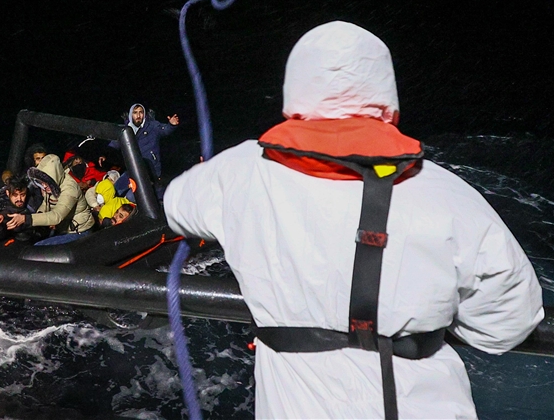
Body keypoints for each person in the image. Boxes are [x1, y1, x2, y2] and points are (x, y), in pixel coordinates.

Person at [163, 21, 543, 419]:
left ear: (296, 93)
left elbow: (177, 206)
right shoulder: (448, 192)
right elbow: (509, 322)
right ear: (387, 97)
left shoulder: (240, 171)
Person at [9, 153, 94, 246]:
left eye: (46, 182)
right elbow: (46, 203)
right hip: (63, 228)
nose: (44, 186)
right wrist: (38, 215)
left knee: (39, 248)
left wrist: (26, 219)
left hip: (79, 231)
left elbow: (57, 216)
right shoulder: (51, 185)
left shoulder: (70, 189)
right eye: (41, 182)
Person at [110, 103, 179, 181]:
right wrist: (105, 155)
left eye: (141, 112)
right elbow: (114, 144)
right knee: (121, 185)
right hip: (133, 169)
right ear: (131, 114)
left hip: (152, 170)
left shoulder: (152, 125)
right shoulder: (125, 129)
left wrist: (171, 125)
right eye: (135, 112)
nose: (138, 115)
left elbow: (165, 130)